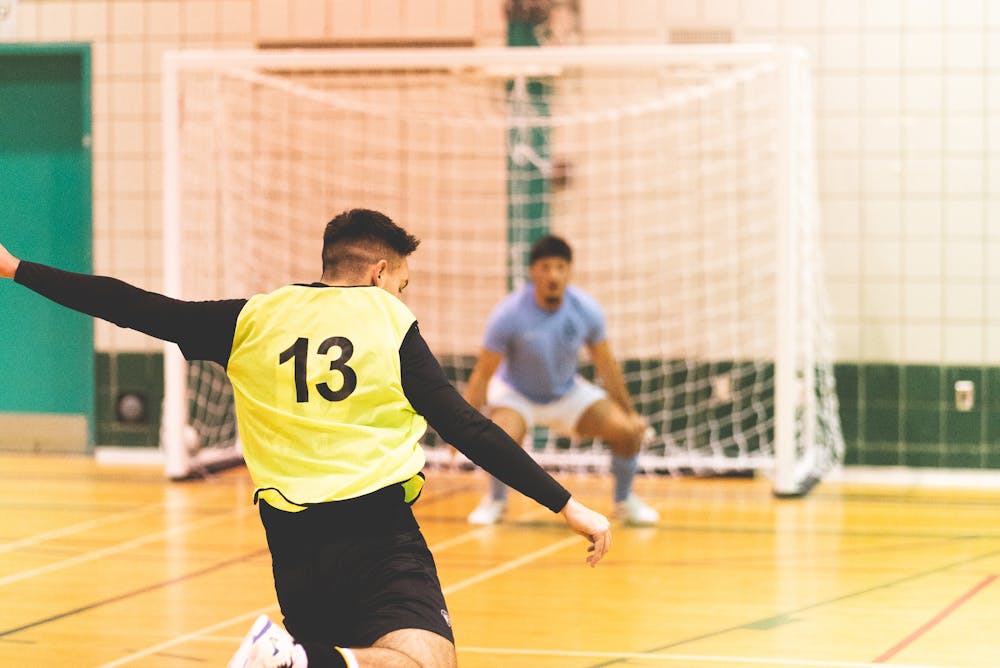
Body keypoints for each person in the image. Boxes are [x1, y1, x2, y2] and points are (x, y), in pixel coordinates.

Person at [0, 209, 611, 668]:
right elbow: (466, 424)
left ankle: (298, 659)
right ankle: (296, 659)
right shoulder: (385, 319)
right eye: (402, 282)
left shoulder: (253, 318)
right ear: (378, 273)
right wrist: (567, 503)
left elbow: (133, 305)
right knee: (425, 661)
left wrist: (15, 267)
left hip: (291, 544)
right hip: (376, 535)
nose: (402, 295)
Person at [463, 234, 659, 527]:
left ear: (569, 271)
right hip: (517, 394)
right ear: (533, 272)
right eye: (545, 267)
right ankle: (496, 501)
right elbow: (482, 373)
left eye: (560, 267)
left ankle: (624, 501)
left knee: (627, 431)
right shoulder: (508, 313)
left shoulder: (586, 309)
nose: (552, 274)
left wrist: (630, 414)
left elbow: (607, 366)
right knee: (499, 439)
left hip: (567, 393)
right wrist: (461, 425)